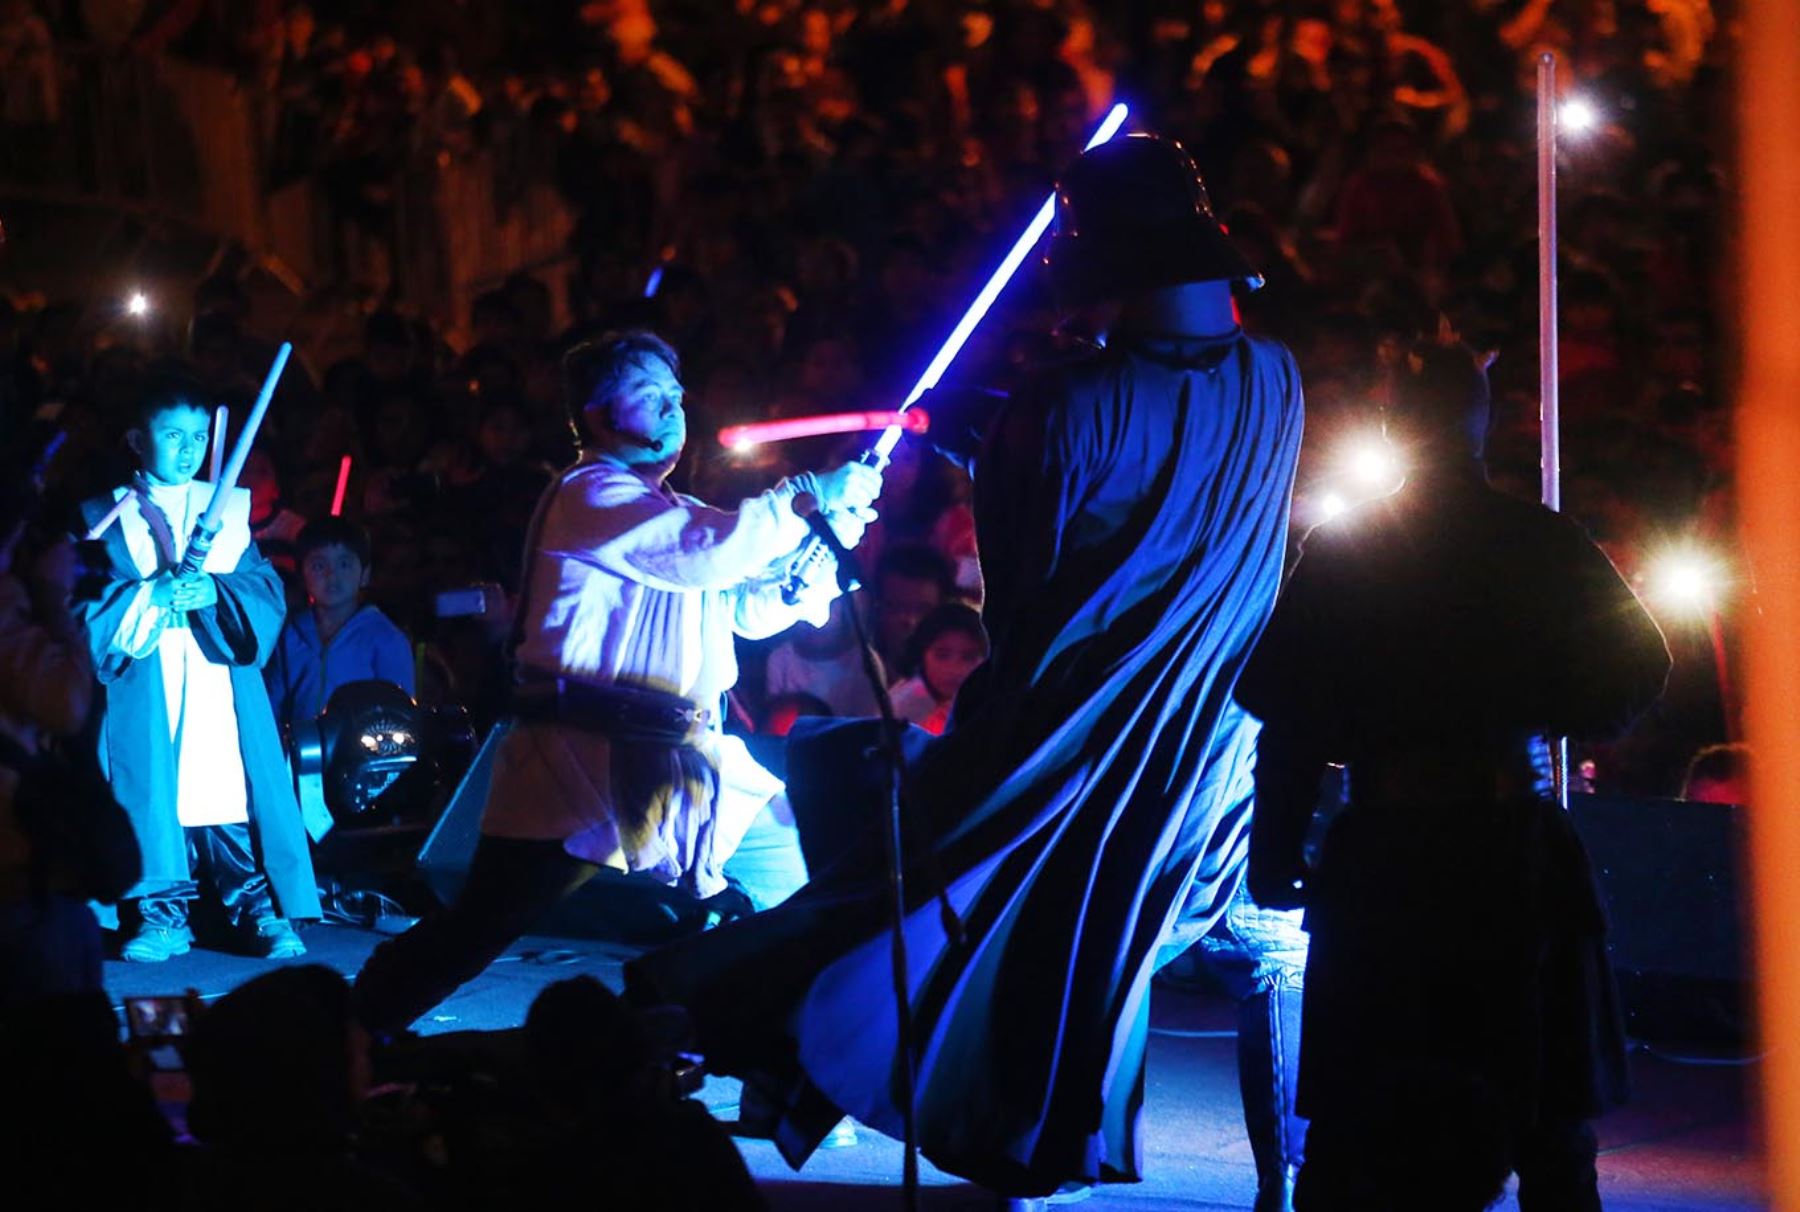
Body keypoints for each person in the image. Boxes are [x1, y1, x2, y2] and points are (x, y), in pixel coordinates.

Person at [631, 134, 1307, 1209]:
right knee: (1240, 950)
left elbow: (1032, 606)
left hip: (1073, 751)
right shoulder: (1279, 381)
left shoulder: (1063, 404)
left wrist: (1001, 446)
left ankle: (703, 1028)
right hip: (1218, 758)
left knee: (947, 912)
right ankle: (1273, 1181)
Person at [1238, 342, 1671, 1210]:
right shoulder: (1537, 541)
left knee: (1367, 1112)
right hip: (1500, 843)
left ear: (1397, 427)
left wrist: (1277, 841)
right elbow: (1637, 672)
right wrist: (1540, 704)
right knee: (1539, 1113)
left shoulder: (1354, 547)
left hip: (1398, 852)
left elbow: (1287, 712)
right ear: (1486, 426)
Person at [353, 330, 881, 1032]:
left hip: (681, 760)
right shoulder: (590, 493)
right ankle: (351, 1033)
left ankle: (777, 1053)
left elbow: (745, 606)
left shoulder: (668, 509)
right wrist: (808, 497)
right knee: (480, 927)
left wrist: (821, 540)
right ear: (600, 415)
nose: (671, 411)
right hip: (582, 760)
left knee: (790, 867)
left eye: (676, 397)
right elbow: (712, 556)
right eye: (649, 397)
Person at [75, 369, 317, 962]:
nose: (188, 450)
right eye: (172, 435)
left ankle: (255, 910)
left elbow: (264, 591)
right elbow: (78, 607)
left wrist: (215, 594)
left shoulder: (229, 510)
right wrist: (148, 596)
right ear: (137, 439)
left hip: (217, 679)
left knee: (225, 786)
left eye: (198, 436)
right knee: (154, 789)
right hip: (145, 676)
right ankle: (160, 915)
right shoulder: (103, 516)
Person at [265, 516, 415, 730]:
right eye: (318, 565)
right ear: (301, 574)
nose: (332, 574)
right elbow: (272, 703)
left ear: (364, 574)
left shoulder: (385, 638)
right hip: (300, 754)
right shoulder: (290, 633)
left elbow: (400, 712)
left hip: (360, 757)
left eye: (344, 564)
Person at [888, 601, 987, 735]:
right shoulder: (904, 709)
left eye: (968, 657)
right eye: (942, 656)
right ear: (922, 654)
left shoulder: (986, 702)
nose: (954, 670)